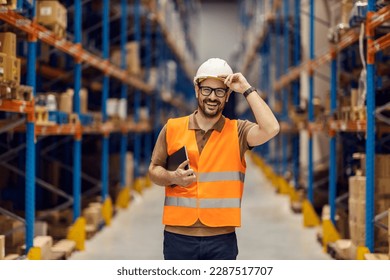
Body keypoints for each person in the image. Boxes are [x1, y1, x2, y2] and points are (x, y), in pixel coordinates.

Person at [148, 58, 280, 260]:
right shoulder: (172, 128)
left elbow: (272, 128)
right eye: (207, 90)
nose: (212, 97)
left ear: (227, 96)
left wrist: (245, 88)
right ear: (197, 91)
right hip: (178, 237)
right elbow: (154, 171)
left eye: (219, 91)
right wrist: (173, 177)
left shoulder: (238, 132)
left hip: (221, 239)